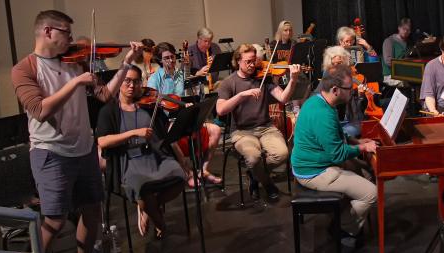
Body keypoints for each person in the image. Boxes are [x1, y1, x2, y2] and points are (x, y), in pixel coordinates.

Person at [11, 10, 137, 253]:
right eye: (67, 32)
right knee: (53, 221)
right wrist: (76, 82)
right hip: (51, 153)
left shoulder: (75, 63)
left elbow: (105, 94)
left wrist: (126, 65)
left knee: (92, 210)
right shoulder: (23, 69)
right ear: (49, 32)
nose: (72, 38)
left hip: (83, 150)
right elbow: (40, 111)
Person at [95, 66, 188, 238]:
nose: (132, 85)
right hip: (130, 162)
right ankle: (160, 223)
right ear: (119, 84)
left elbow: (167, 136)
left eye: (136, 81)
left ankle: (146, 208)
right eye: (127, 81)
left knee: (179, 178)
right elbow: (102, 141)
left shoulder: (150, 106)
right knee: (142, 187)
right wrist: (132, 133)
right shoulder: (109, 111)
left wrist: (181, 159)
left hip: (156, 158)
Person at [291, 65, 378, 244]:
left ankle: (344, 211)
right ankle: (343, 227)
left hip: (317, 161)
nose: (353, 92)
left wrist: (356, 142)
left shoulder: (319, 100)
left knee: (365, 172)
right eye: (350, 89)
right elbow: (337, 155)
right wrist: (363, 149)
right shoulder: (323, 113)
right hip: (313, 171)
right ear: (335, 90)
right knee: (372, 193)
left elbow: (335, 135)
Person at [215, 44, 301, 201]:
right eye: (248, 61)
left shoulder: (264, 76)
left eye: (254, 61)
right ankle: (268, 185)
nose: (252, 65)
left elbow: (283, 98)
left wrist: (293, 80)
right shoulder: (228, 83)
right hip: (241, 131)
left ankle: (254, 174)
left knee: (282, 154)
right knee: (253, 158)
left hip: (266, 128)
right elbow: (220, 110)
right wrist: (242, 95)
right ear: (237, 61)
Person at [148, 42, 224, 186]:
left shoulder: (181, 74)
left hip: (186, 116)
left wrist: (192, 95)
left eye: (172, 57)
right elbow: (152, 101)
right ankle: (188, 172)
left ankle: (203, 170)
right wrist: (162, 101)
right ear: (160, 60)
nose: (171, 61)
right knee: (171, 134)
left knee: (216, 129)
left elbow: (191, 93)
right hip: (168, 120)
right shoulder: (154, 79)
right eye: (166, 58)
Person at [381, 17, 411, 87]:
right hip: (390, 76)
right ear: (399, 28)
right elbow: (388, 61)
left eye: (408, 30)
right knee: (408, 82)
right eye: (404, 29)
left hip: (403, 74)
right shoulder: (389, 41)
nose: (406, 31)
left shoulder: (408, 43)